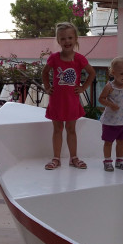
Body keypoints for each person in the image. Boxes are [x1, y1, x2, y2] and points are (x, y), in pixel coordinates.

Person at [42, 22, 96, 170]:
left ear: (76, 38)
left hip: (72, 101)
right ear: (58, 41)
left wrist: (83, 88)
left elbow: (92, 73)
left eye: (70, 38)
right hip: (57, 101)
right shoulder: (54, 58)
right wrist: (47, 87)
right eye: (63, 38)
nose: (67, 41)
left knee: (71, 129)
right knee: (57, 129)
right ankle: (56, 158)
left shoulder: (79, 59)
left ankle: (74, 158)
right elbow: (44, 73)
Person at [98, 57, 123, 171]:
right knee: (108, 142)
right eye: (121, 74)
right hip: (110, 121)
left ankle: (119, 161)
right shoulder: (110, 86)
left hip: (122, 120)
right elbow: (101, 99)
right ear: (113, 73)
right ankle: (107, 161)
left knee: (121, 142)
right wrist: (111, 104)